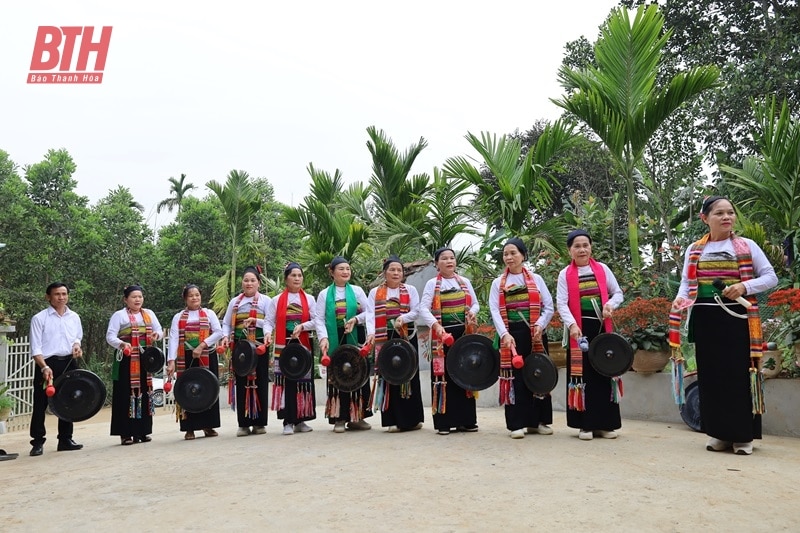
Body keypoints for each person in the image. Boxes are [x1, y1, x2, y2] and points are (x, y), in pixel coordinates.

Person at [672, 196, 777, 455]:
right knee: (711, 375)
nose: (727, 217)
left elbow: (770, 277)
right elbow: (687, 282)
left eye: (730, 212)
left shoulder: (747, 246)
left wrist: (744, 286)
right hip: (706, 318)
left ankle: (743, 437)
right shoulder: (694, 250)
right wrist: (680, 299)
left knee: (737, 375)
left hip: (737, 318)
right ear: (705, 218)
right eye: (719, 213)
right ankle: (718, 433)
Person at [556, 230, 624, 441]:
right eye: (577, 246)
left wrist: (610, 305)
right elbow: (561, 303)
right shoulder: (565, 274)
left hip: (602, 328)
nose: (582, 249)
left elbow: (618, 292)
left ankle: (606, 424)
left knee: (604, 373)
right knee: (583, 377)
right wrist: (573, 325)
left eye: (585, 245)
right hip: (580, 332)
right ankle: (585, 425)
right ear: (570, 250)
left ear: (590, 247)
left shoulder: (602, 269)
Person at [489, 238, 555, 439]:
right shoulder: (497, 283)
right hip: (512, 334)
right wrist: (505, 334)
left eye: (513, 253)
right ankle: (516, 424)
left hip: (535, 333)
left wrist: (540, 325)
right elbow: (495, 311)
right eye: (505, 254)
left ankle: (539, 422)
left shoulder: (537, 279)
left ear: (523, 255)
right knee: (515, 379)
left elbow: (549, 306)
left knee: (538, 374)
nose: (509, 257)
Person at [419, 247, 480, 435]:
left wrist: (472, 312)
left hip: (462, 333)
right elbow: (423, 308)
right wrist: (436, 326)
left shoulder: (464, 282)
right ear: (437, 264)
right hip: (442, 334)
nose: (449, 261)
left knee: (465, 373)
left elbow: (475, 303)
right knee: (443, 377)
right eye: (444, 258)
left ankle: (466, 421)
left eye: (452, 258)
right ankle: (444, 422)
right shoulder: (431, 284)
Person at [314, 256, 375, 433]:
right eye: (341, 269)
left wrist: (355, 319)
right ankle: (339, 418)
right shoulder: (325, 294)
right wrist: (323, 338)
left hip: (353, 335)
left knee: (357, 373)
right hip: (335, 338)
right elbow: (319, 319)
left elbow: (369, 313)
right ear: (332, 272)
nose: (345, 272)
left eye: (348, 268)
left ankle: (358, 417)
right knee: (338, 377)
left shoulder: (356, 291)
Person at [367, 255, 424, 433]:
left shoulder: (410, 290)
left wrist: (403, 318)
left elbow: (417, 310)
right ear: (385, 272)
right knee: (389, 376)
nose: (396, 273)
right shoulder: (375, 292)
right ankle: (392, 419)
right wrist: (371, 334)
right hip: (385, 340)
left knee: (410, 376)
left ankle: (413, 420)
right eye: (392, 269)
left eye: (399, 270)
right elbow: (370, 315)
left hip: (406, 337)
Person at [29, 282, 84, 456]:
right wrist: (44, 367)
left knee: (69, 401)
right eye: (57, 294)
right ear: (48, 297)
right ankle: (37, 442)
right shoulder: (39, 318)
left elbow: (77, 337)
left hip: (69, 362)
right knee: (41, 403)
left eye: (64, 294)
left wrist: (77, 346)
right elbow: (35, 348)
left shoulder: (74, 316)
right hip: (47, 364)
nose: (61, 297)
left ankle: (65, 439)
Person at [106, 285, 164, 445]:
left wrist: (156, 335)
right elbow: (110, 336)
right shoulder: (119, 316)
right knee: (126, 394)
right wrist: (122, 345)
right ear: (126, 300)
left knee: (145, 393)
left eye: (140, 296)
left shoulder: (149, 314)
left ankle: (143, 431)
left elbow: (160, 331)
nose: (137, 299)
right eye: (133, 297)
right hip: (127, 359)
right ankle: (125, 433)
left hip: (146, 360)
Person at [264, 262, 318, 435]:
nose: (297, 278)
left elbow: (317, 320)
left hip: (302, 344)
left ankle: (301, 420)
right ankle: (288, 421)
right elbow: (269, 321)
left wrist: (302, 326)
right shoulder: (277, 300)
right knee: (286, 382)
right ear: (286, 278)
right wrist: (267, 333)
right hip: (283, 345)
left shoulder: (309, 299)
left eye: (299, 275)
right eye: (293, 275)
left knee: (303, 382)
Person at [167, 284, 224, 440]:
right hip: (185, 357)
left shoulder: (209, 313)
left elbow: (219, 332)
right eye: (191, 295)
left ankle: (208, 426)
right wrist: (171, 361)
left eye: (197, 295)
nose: (195, 298)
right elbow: (173, 339)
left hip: (205, 354)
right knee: (187, 391)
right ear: (185, 298)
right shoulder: (178, 317)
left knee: (208, 389)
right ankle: (189, 428)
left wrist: (202, 345)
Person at [221, 266, 272, 437]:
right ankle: (243, 424)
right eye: (246, 280)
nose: (249, 283)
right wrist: (226, 336)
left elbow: (270, 323)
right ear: (241, 283)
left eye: (252, 280)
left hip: (259, 348)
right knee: (242, 384)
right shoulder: (234, 302)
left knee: (261, 382)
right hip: (240, 349)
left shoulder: (266, 301)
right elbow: (227, 323)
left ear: (258, 283)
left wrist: (256, 321)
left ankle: (259, 423)